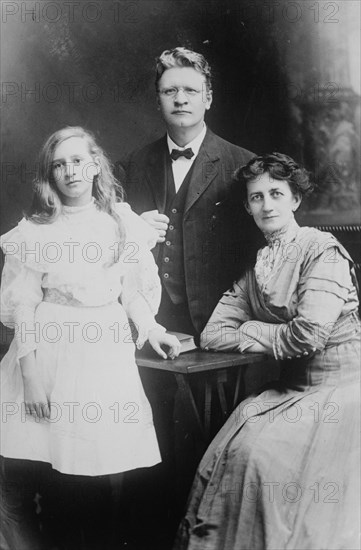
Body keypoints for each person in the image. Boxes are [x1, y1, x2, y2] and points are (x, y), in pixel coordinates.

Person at [0, 126, 180, 550]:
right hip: (48, 350)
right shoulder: (36, 229)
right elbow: (23, 304)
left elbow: (131, 292)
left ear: (96, 165)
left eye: (79, 160)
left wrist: (151, 329)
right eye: (59, 164)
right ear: (50, 174)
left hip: (104, 353)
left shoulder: (121, 222)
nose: (71, 171)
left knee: (98, 469)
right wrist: (31, 377)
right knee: (47, 472)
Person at [175, 153, 360, 550]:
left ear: (295, 200)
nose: (266, 204)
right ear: (247, 206)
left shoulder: (320, 251)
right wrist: (264, 332)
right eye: (256, 197)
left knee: (262, 458)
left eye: (276, 193)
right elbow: (213, 333)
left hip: (344, 387)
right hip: (292, 388)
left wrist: (255, 328)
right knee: (238, 450)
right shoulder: (259, 264)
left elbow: (309, 334)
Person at [118, 49, 256, 544]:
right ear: (158, 100)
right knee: (149, 435)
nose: (180, 99)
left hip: (219, 328)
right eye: (170, 91)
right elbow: (112, 249)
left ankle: (208, 537)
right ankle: (156, 534)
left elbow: (260, 252)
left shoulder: (241, 165)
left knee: (215, 440)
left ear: (209, 99)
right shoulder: (133, 165)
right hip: (150, 326)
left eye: (190, 91)